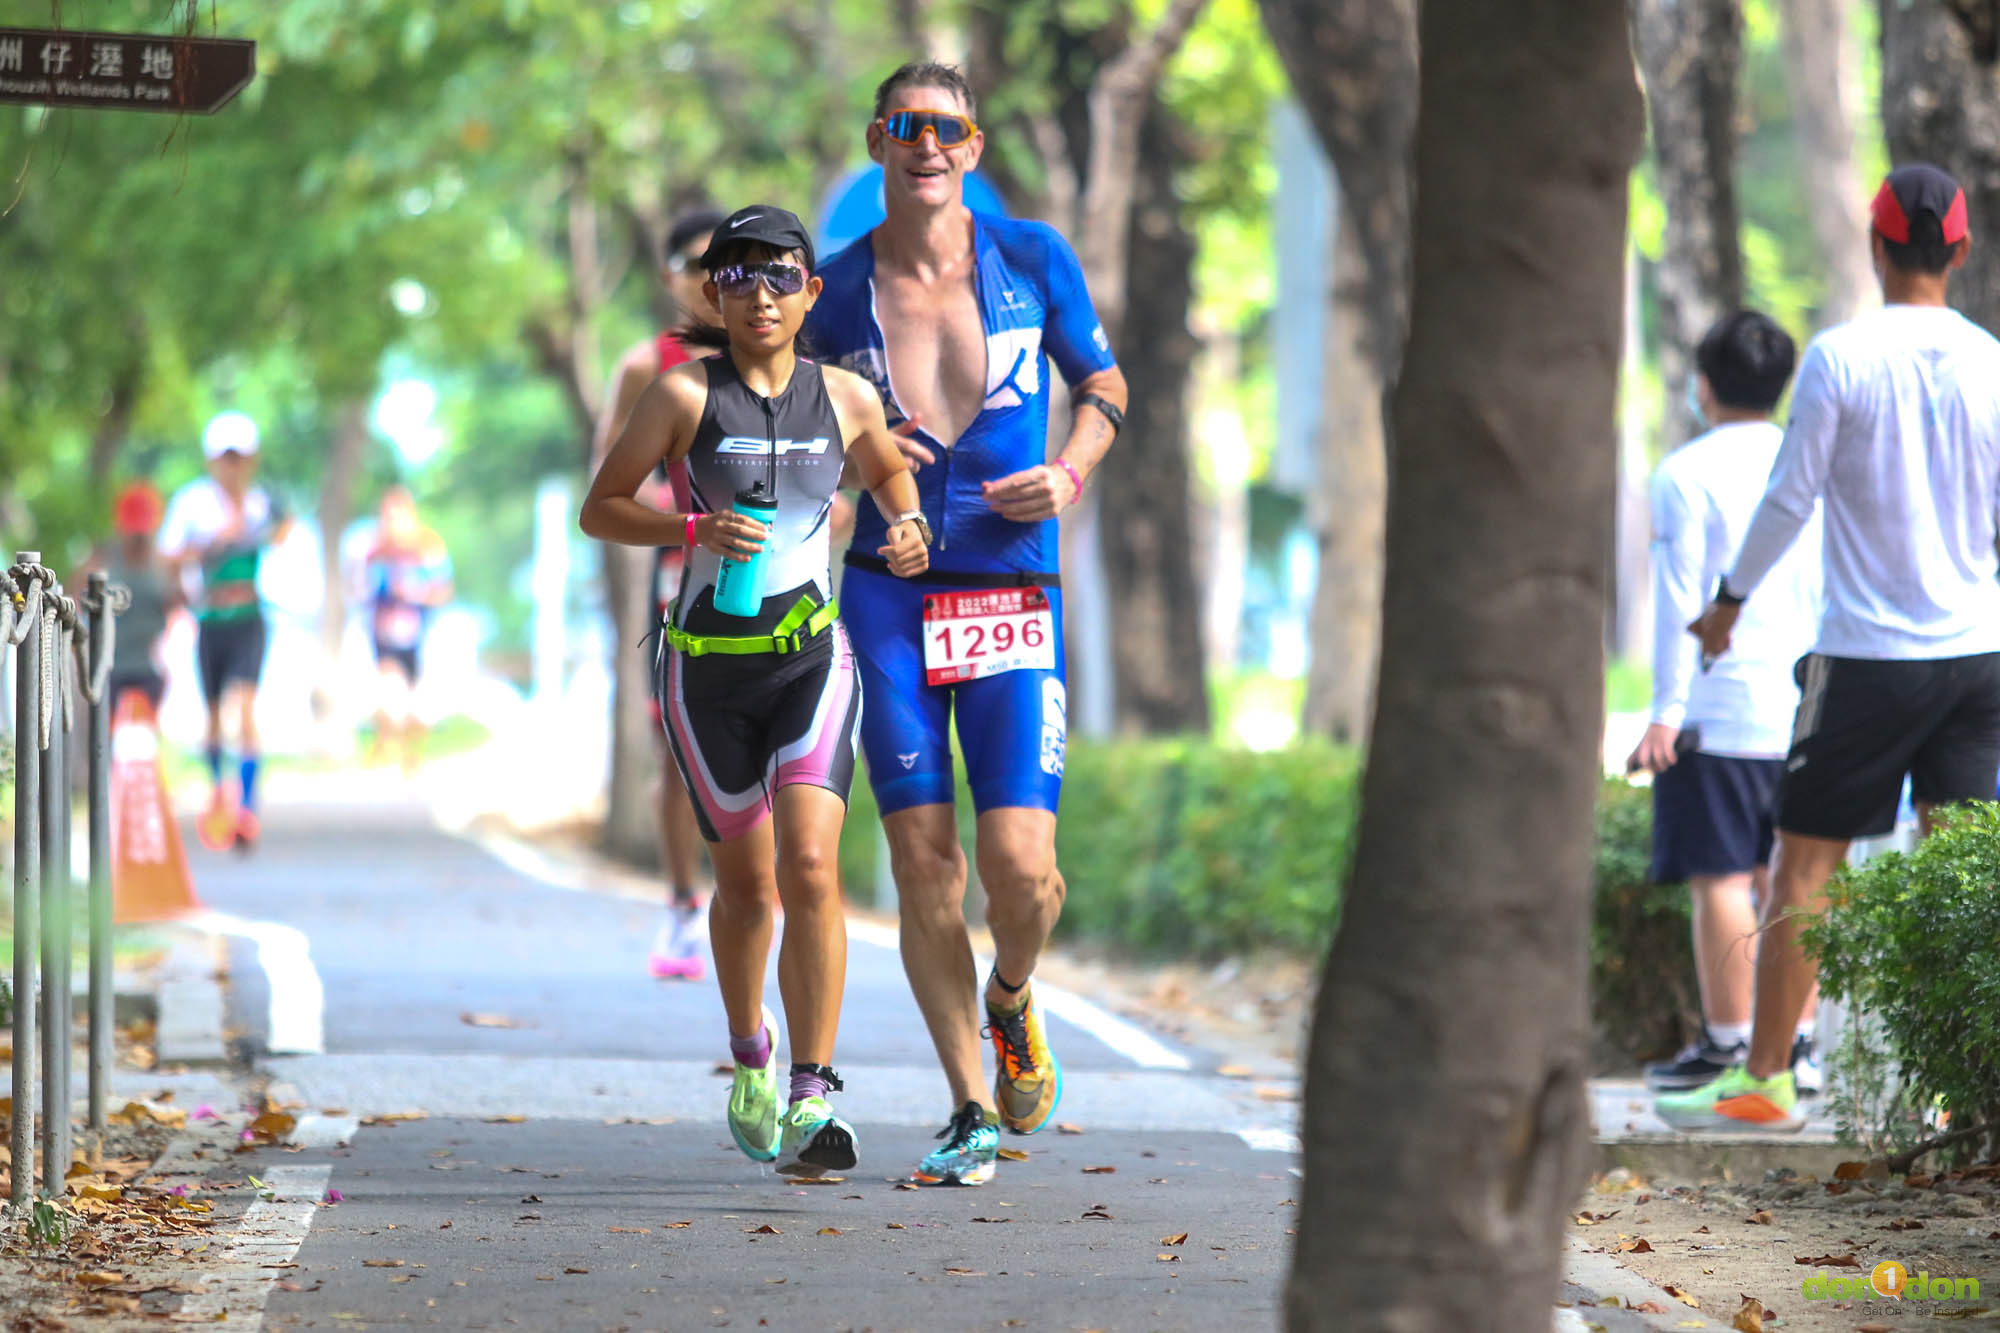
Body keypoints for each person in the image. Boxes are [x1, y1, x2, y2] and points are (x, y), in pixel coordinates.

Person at [802, 61, 1129, 1186]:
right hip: (888, 600)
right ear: (877, 141)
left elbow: (1106, 386)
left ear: (973, 147)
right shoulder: (832, 291)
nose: (926, 145)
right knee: (923, 864)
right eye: (904, 126)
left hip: (1010, 593)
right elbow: (799, 448)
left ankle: (1010, 993)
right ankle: (969, 1105)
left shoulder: (1032, 258)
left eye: (945, 128)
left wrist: (1069, 472)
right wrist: (863, 500)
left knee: (1021, 872)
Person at [580, 204, 931, 1176]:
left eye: (779, 275)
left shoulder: (849, 399)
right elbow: (598, 508)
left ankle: (815, 1094)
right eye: (737, 276)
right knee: (744, 885)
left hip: (811, 659)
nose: (759, 293)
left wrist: (906, 532)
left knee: (810, 867)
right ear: (712, 295)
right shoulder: (681, 396)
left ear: (809, 292)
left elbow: (896, 491)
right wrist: (689, 532)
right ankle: (751, 1051)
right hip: (704, 669)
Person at [1661, 163, 2000, 1132]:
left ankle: (1765, 1080)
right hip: (1976, 656)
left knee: (1804, 865)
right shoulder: (1989, 359)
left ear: (1874, 244)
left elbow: (1787, 496)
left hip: (1861, 657)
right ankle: (1961, 1098)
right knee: (1959, 870)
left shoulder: (1839, 357)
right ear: (1960, 250)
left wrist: (1727, 600)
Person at [1628, 312, 1825, 1096]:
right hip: (1806, 700)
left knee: (1719, 876)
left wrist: (1664, 711)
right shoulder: (1807, 463)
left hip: (1719, 705)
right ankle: (1797, 1047)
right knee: (1793, 876)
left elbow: (1685, 602)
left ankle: (1730, 1044)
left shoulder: (1684, 473)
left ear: (1703, 384)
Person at [594, 207, 727, 980]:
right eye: (696, 263)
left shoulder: (780, 355)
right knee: (678, 755)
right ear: (671, 275)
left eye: (730, 262)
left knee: (778, 753)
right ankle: (682, 904)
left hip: (782, 585)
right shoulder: (650, 365)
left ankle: (762, 896)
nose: (715, 279)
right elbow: (609, 485)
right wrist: (686, 520)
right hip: (682, 589)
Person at [158, 411, 292, 852]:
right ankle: (220, 792)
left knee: (244, 706)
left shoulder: (261, 502)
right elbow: (169, 555)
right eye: (225, 459)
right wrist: (213, 544)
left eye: (240, 459)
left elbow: (284, 533)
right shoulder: (193, 504)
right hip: (211, 619)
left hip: (249, 615)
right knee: (214, 716)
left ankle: (247, 807)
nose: (232, 468)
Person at [357, 486, 453, 775]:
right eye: (387, 517)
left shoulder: (429, 548)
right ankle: (387, 742)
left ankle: (411, 757)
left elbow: (443, 592)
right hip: (384, 637)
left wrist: (414, 594)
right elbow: (362, 592)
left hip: (419, 637)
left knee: (418, 711)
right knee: (389, 699)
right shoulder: (375, 553)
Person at [86, 481, 179, 713]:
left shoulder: (164, 562)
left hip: (149, 662)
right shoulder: (103, 556)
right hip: (108, 661)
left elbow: (178, 604)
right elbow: (74, 597)